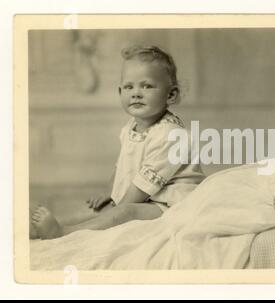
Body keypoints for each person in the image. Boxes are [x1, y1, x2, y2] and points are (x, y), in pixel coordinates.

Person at [30, 131, 275, 270]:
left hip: (272, 194)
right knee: (218, 191)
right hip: (259, 175)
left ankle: (192, 223)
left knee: (222, 217)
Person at [30, 45, 205, 240]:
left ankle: (64, 233)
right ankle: (57, 225)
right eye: (129, 87)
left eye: (146, 86)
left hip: (171, 205)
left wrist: (117, 209)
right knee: (101, 209)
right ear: (120, 91)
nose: (136, 93)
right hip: (147, 199)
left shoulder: (170, 135)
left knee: (124, 213)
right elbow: (122, 164)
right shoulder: (131, 126)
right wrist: (109, 193)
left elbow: (143, 187)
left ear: (170, 95)